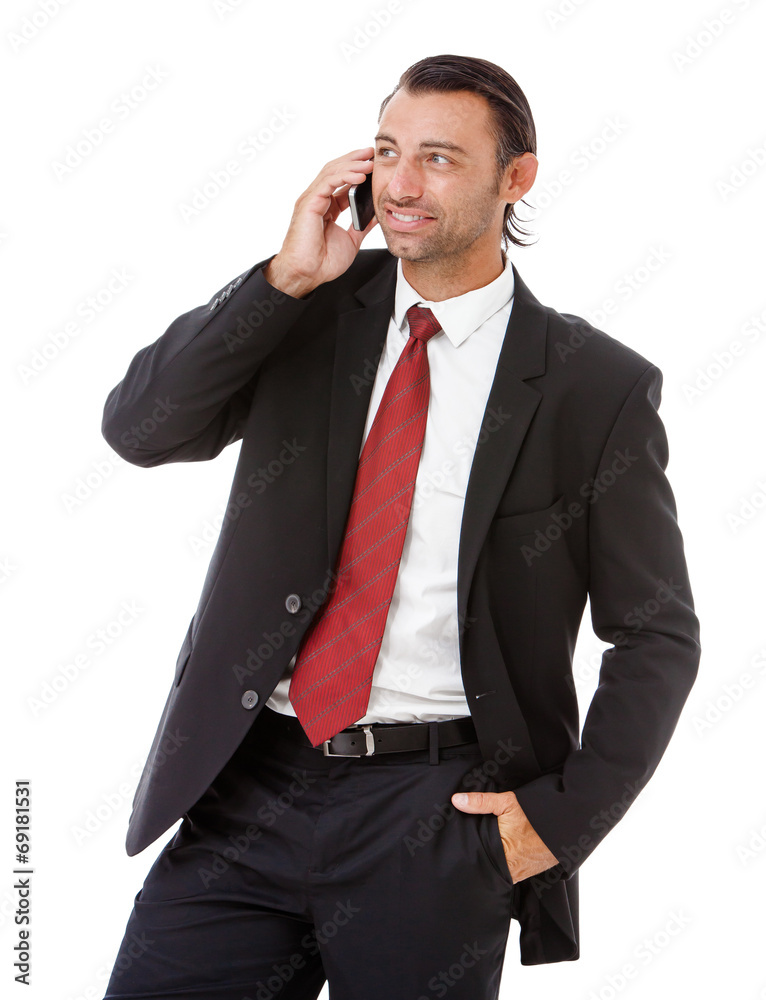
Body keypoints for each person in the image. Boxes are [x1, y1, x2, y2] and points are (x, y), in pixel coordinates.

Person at [100, 53, 701, 999]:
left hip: (436, 815)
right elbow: (140, 429)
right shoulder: (307, 310)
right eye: (387, 152)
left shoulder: (595, 385)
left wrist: (559, 822)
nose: (402, 185)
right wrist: (281, 278)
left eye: (439, 158)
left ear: (516, 178)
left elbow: (657, 631)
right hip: (248, 786)